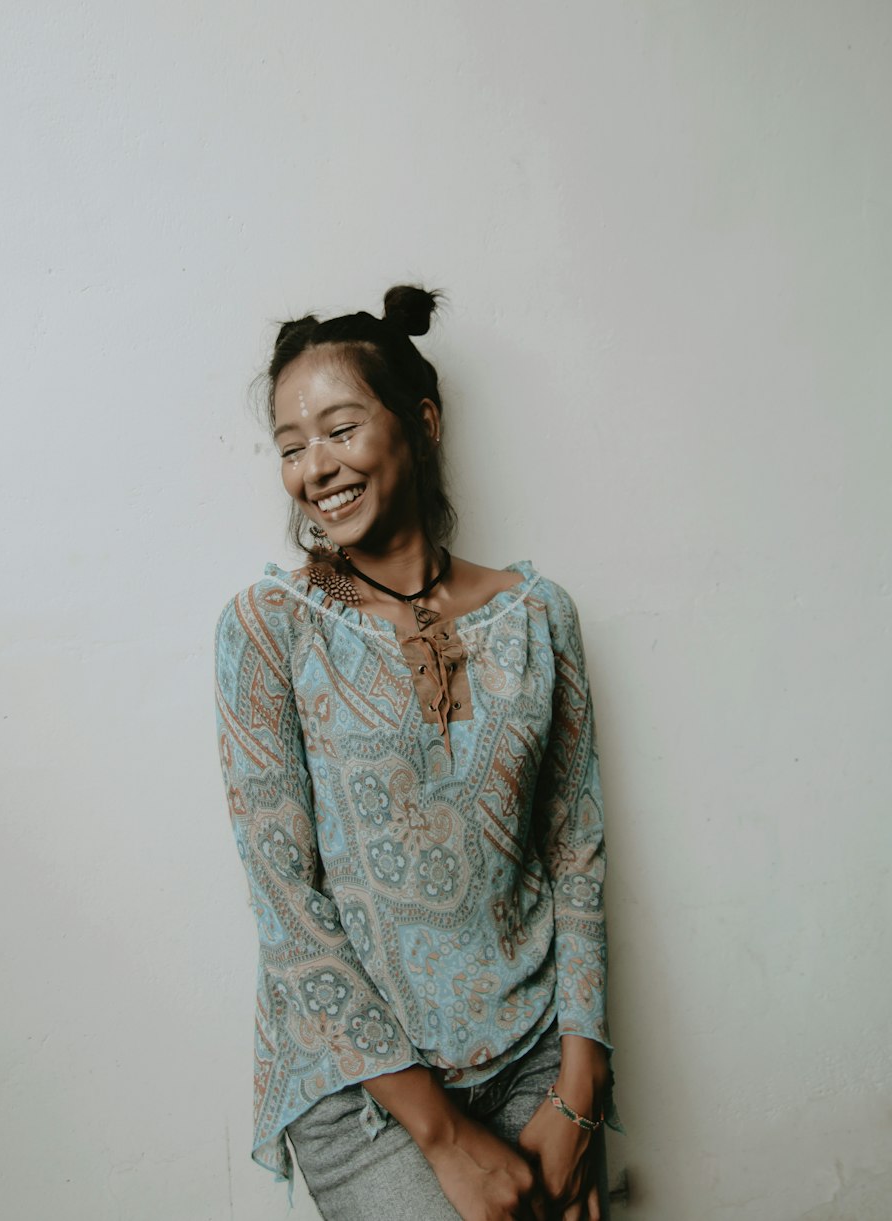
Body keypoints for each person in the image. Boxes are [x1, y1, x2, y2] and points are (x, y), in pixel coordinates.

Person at [214, 286, 621, 1221]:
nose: (315, 466)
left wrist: (582, 1089)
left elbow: (577, 852)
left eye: (340, 428)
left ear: (422, 423)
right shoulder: (269, 629)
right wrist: (441, 1137)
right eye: (289, 445)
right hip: (362, 1081)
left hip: (533, 1052)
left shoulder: (539, 615)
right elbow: (286, 902)